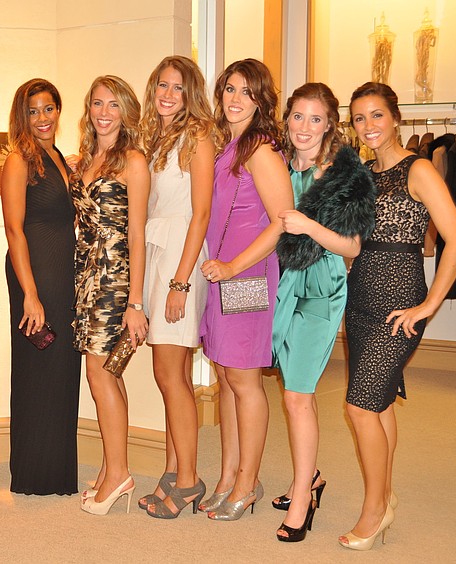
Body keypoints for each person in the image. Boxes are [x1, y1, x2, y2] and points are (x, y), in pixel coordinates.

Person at [340, 82, 456, 550]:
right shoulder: (363, 174)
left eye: (376, 115)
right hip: (361, 297)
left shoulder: (420, 169)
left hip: (401, 302)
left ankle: (374, 511)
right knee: (381, 402)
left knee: (359, 406)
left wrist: (429, 304)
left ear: (395, 117)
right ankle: (385, 494)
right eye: (358, 118)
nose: (368, 126)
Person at [270, 82, 376, 542]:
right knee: (290, 389)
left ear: (330, 123)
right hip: (282, 288)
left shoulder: (341, 176)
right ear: (286, 118)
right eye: (297, 117)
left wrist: (308, 223)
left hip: (321, 290)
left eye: (315, 119)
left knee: (297, 394)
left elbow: (351, 246)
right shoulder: (277, 165)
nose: (304, 128)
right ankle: (309, 477)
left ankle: (301, 496)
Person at [198, 58, 294, 521]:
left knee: (244, 380)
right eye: (229, 89)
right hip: (222, 277)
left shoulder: (260, 150)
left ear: (260, 101)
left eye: (245, 92)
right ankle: (229, 475)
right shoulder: (229, 148)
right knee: (225, 377)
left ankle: (246, 483)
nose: (234, 99)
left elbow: (283, 222)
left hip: (247, 278)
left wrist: (234, 265)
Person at [136, 56, 214, 519]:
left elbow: (200, 214)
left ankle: (188, 481)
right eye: (162, 85)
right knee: (171, 376)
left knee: (170, 375)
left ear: (191, 94)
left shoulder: (198, 137)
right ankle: (173, 471)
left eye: (178, 88)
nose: (168, 94)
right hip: (159, 252)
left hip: (181, 258)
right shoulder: (157, 135)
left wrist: (181, 281)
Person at [72, 76, 150, 515]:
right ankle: (111, 467)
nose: (104, 112)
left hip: (115, 279)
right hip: (86, 276)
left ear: (126, 112)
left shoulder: (132, 161)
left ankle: (118, 475)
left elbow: (137, 235)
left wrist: (135, 302)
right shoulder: (85, 159)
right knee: (108, 376)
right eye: (98, 103)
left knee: (100, 375)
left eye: (113, 105)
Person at [2, 79, 81, 495]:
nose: (42, 118)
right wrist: (30, 295)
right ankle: (36, 472)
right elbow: (14, 230)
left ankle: (58, 468)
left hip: (62, 273)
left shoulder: (58, 159)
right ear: (22, 116)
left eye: (48, 108)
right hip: (34, 275)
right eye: (33, 111)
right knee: (41, 368)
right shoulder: (19, 161)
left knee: (63, 368)